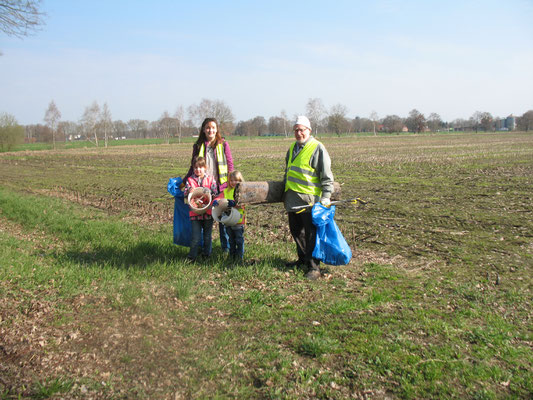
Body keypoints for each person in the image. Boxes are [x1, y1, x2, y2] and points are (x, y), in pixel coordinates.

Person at [283, 115, 334, 280]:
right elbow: (288, 171)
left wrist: (326, 196)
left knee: (311, 235)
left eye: (302, 130)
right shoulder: (292, 148)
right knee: (296, 231)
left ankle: (314, 267)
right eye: (296, 130)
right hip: (292, 199)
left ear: (309, 130)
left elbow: (326, 175)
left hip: (310, 201)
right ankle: (302, 260)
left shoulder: (317, 148)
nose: (299, 133)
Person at [184, 118, 234, 254]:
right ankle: (201, 248)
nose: (210, 130)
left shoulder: (223, 144)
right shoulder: (198, 145)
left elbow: (230, 164)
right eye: (207, 127)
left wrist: (231, 181)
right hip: (203, 187)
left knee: (223, 219)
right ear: (203, 129)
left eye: (213, 127)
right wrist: (184, 181)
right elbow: (192, 166)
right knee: (205, 217)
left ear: (217, 129)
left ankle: (226, 248)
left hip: (221, 187)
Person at [184, 156, 218, 262]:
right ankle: (192, 257)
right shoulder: (190, 180)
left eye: (200, 167)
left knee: (207, 236)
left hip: (208, 213)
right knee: (195, 237)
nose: (198, 170)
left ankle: (206, 256)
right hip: (195, 214)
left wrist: (210, 194)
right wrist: (189, 190)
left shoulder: (210, 179)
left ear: (205, 168)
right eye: (195, 167)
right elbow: (185, 194)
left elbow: (215, 193)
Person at [213, 170, 246, 263]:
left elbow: (242, 205)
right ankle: (232, 256)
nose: (234, 182)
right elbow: (220, 198)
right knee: (231, 239)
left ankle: (240, 257)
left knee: (239, 239)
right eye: (231, 180)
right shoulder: (226, 191)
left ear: (240, 181)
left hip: (238, 220)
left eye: (236, 180)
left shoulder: (242, 192)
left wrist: (234, 204)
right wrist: (216, 201)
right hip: (228, 220)